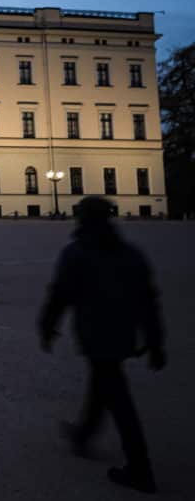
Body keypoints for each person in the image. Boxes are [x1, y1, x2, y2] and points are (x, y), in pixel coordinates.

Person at [38, 196, 165, 494]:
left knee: (117, 396)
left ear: (83, 219)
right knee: (104, 381)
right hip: (123, 332)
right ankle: (83, 435)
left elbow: (59, 293)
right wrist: (155, 341)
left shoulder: (77, 251)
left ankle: (140, 467)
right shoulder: (130, 252)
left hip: (95, 332)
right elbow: (149, 300)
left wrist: (47, 326)